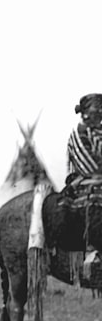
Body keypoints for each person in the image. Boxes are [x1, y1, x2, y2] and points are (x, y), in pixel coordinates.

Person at [65, 93, 102, 266]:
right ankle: (93, 251)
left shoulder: (98, 132)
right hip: (87, 184)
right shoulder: (79, 133)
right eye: (97, 110)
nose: (100, 114)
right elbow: (91, 167)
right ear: (86, 112)